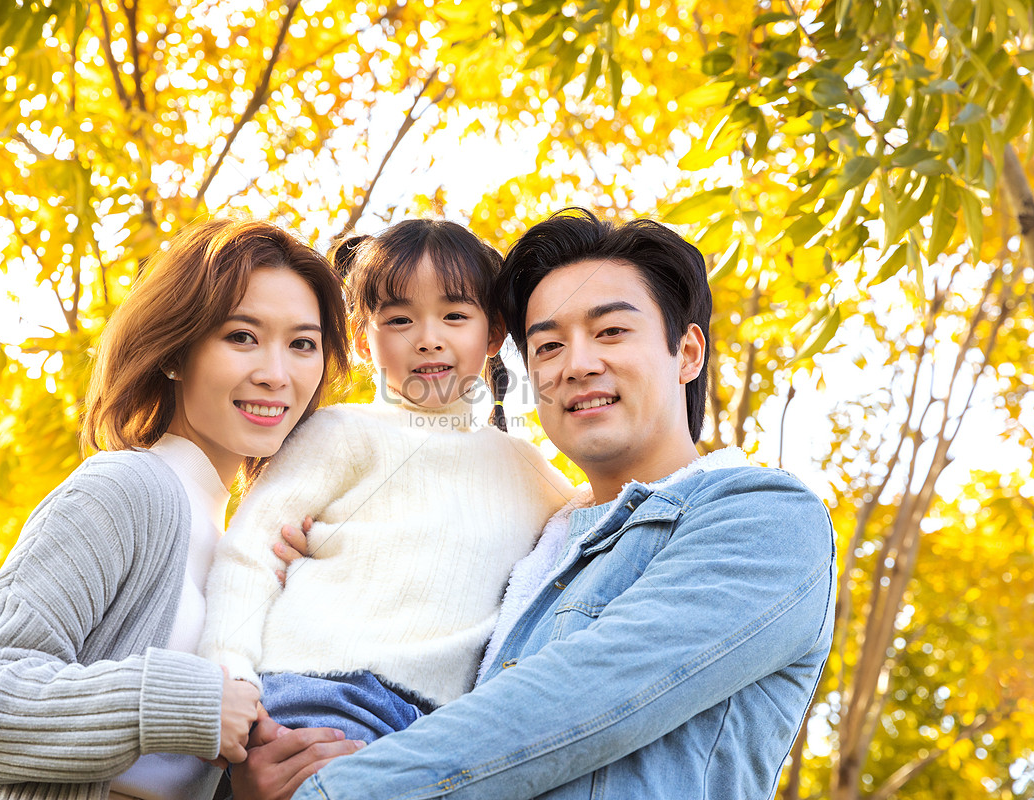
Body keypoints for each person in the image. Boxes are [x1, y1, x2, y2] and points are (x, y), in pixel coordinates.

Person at [236, 208, 837, 799]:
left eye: (611, 331)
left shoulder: (764, 517)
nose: (577, 365)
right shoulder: (538, 541)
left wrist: (327, 788)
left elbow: (574, 701)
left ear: (687, 353)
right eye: (547, 347)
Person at [0, 218, 361, 800]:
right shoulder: (128, 488)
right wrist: (188, 702)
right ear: (175, 354)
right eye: (242, 336)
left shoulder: (241, 545)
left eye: (303, 345)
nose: (276, 374)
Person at [198, 219, 573, 747]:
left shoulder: (527, 469)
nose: (428, 339)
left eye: (455, 315)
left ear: (493, 334)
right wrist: (229, 672)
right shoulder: (341, 433)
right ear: (360, 337)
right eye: (399, 319)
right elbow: (251, 550)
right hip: (320, 689)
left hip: (442, 725)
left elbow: (600, 516)